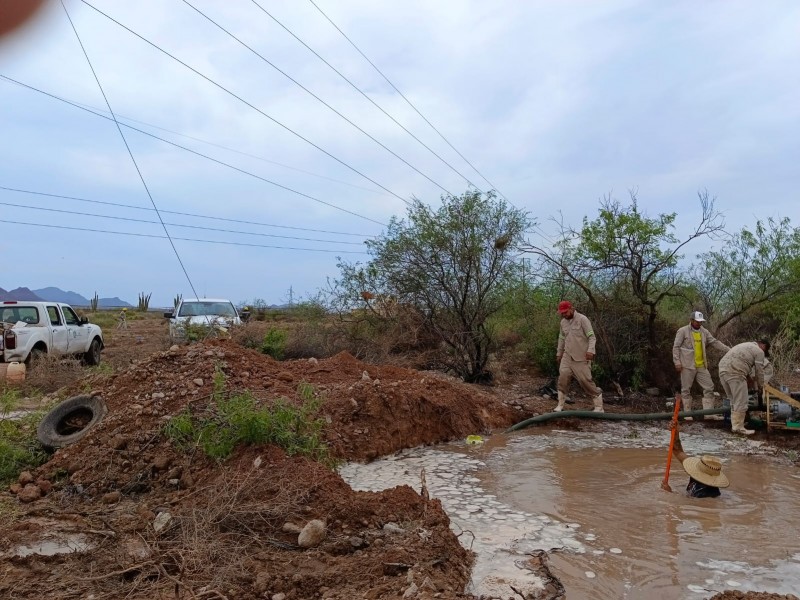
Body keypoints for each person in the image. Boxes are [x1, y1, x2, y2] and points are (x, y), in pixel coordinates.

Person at [672, 311, 730, 420]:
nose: (699, 324)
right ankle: (687, 414)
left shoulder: (704, 331)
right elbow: (676, 347)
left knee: (709, 387)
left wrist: (729, 350)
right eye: (697, 321)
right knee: (686, 389)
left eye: (701, 322)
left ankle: (708, 414)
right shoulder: (683, 331)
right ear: (692, 320)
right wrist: (677, 362)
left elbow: (714, 342)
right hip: (687, 365)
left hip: (701, 365)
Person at [554, 300, 604, 412]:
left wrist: (591, 351)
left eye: (565, 312)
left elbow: (592, 337)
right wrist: (559, 353)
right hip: (567, 356)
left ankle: (599, 406)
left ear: (571, 309)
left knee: (585, 380)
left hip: (581, 356)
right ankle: (560, 405)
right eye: (562, 313)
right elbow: (561, 339)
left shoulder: (582, 319)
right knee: (563, 377)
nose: (564, 315)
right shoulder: (563, 322)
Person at [718, 339, 770, 435]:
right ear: (763, 345)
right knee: (741, 400)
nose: (764, 352)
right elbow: (759, 371)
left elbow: (740, 361)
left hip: (722, 370)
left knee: (733, 399)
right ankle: (738, 428)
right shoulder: (759, 351)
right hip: (735, 372)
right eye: (765, 350)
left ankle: (735, 425)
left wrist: (748, 378)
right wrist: (761, 386)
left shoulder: (744, 345)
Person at [671, 425, 730, 497]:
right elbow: (677, 451)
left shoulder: (707, 493)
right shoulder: (697, 473)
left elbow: (688, 503)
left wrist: (670, 493)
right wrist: (676, 432)